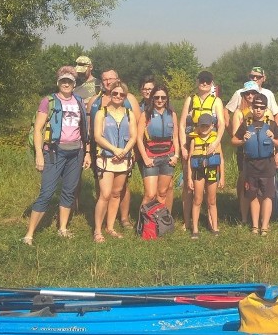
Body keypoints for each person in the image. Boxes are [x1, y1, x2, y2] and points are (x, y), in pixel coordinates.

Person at [23, 66, 90, 245]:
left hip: (76, 152)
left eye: (69, 81)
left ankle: (62, 228)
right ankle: (29, 234)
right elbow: (38, 129)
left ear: (74, 83)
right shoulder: (49, 101)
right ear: (58, 82)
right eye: (63, 81)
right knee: (47, 192)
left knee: (69, 191)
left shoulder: (79, 101)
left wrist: (87, 152)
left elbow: (85, 129)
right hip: (53, 152)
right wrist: (39, 153)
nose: (66, 84)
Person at [86, 69, 141, 228]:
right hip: (102, 151)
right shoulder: (95, 101)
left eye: (111, 79)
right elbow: (90, 131)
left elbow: (137, 126)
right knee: (102, 188)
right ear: (101, 82)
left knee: (122, 188)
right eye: (105, 79)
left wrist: (132, 151)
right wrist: (88, 151)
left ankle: (123, 218)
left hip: (125, 151)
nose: (108, 82)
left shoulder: (130, 99)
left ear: (118, 79)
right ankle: (101, 222)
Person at [232, 94, 278, 235]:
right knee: (252, 195)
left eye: (261, 107)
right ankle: (254, 225)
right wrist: (242, 141)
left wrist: (273, 139)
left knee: (267, 195)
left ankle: (264, 226)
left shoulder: (271, 125)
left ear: (265, 109)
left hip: (267, 164)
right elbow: (233, 141)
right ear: (252, 108)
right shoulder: (246, 125)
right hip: (251, 165)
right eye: (256, 107)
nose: (258, 110)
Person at [136, 83, 180, 212]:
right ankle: (143, 224)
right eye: (156, 97)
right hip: (151, 157)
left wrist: (176, 155)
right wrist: (145, 158)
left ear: (167, 99)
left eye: (163, 97)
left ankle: (160, 223)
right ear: (152, 98)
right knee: (150, 194)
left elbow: (175, 137)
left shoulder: (172, 115)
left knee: (162, 193)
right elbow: (139, 138)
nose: (160, 100)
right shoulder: (146, 114)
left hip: (168, 157)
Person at [185, 113, 225, 238]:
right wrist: (189, 178)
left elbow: (221, 160)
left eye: (207, 125)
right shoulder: (194, 140)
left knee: (212, 200)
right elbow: (190, 160)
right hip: (198, 171)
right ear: (198, 126)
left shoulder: (215, 141)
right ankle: (195, 229)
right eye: (202, 125)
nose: (204, 128)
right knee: (197, 200)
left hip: (212, 171)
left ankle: (215, 227)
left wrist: (222, 177)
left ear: (212, 125)